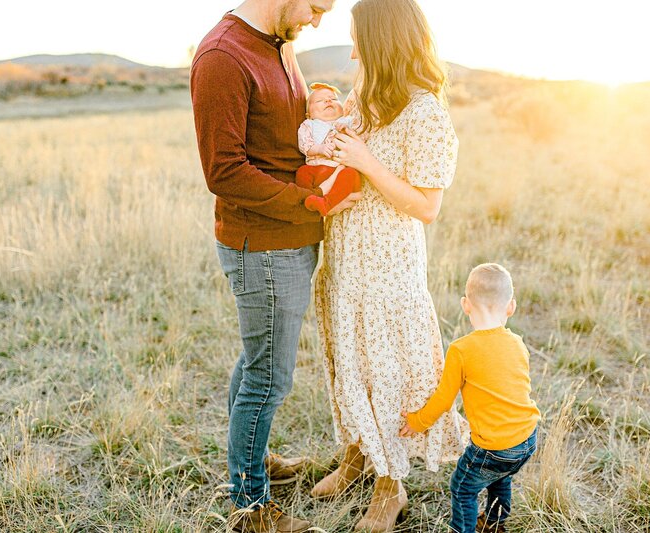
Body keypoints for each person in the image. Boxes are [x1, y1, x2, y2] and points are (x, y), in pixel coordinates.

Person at [190, 1, 359, 531]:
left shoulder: (280, 45)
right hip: (262, 247)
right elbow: (224, 171)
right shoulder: (223, 56)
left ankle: (252, 462)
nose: (318, 18)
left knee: (258, 361)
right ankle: (251, 506)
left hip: (290, 238)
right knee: (269, 378)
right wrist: (307, 203)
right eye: (316, 5)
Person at [312, 0, 466, 530]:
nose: (352, 50)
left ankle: (389, 484)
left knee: (386, 371)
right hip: (345, 260)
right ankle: (358, 455)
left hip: (387, 270)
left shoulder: (425, 112)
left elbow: (427, 206)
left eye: (358, 39)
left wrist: (365, 163)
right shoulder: (366, 98)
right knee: (349, 363)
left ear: (381, 43)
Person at [399, 263, 541, 533]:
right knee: (501, 475)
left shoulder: (461, 350)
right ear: (511, 307)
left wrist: (417, 422)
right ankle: (494, 523)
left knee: (462, 487)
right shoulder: (517, 343)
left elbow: (443, 399)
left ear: (466, 305)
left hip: (493, 445)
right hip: (527, 437)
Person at [296, 83, 362, 215]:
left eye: (334, 99)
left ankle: (327, 203)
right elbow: (305, 146)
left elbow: (359, 136)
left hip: (339, 171)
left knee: (351, 174)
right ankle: (306, 200)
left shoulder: (346, 122)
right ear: (309, 114)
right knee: (302, 172)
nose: (328, 100)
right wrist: (319, 149)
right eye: (320, 100)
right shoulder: (309, 125)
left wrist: (347, 129)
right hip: (316, 169)